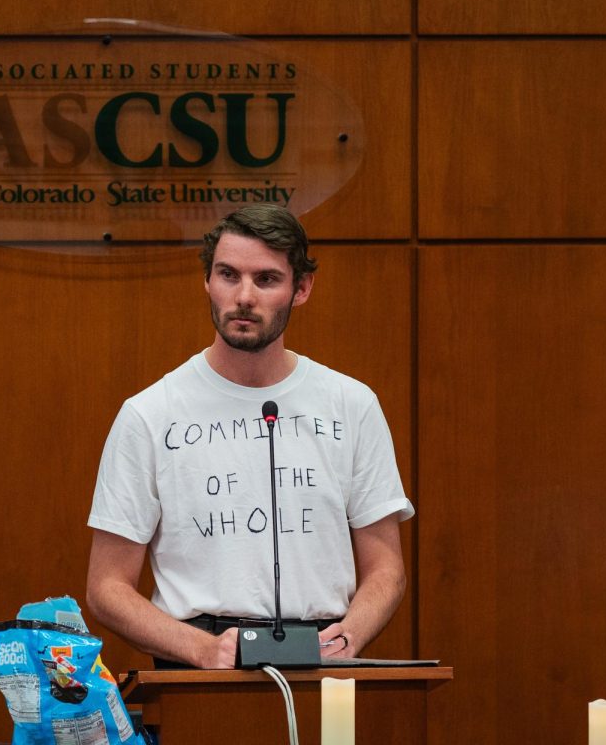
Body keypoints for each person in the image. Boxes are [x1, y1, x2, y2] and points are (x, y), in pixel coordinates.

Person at [85, 204, 415, 669]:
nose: (243, 296)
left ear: (300, 288)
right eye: (227, 275)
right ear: (207, 281)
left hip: (322, 654)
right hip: (197, 658)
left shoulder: (351, 405)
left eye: (265, 279)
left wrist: (349, 637)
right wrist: (201, 649)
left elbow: (386, 569)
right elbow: (106, 588)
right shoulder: (149, 414)